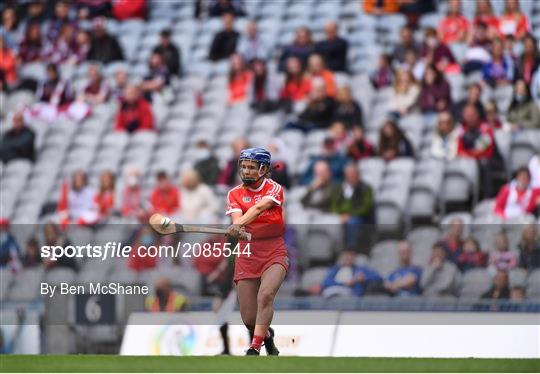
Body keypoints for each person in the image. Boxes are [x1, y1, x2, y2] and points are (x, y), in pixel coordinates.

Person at [224, 147, 287, 355]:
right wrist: (238, 227)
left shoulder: (274, 188)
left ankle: (254, 347)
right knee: (249, 318)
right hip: (247, 254)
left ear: (263, 169)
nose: (246, 171)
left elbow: (258, 208)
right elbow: (237, 218)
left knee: (266, 295)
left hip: (273, 250)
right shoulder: (234, 193)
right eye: (244, 167)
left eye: (251, 167)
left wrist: (239, 223)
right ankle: (267, 336)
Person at [330, 163, 374, 249]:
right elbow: (334, 204)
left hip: (359, 217)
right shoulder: (340, 188)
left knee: (352, 223)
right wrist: (339, 215)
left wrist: (350, 215)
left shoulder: (366, 189)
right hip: (342, 216)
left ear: (358, 175)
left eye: (352, 175)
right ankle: (334, 250)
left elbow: (365, 207)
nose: (350, 178)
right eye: (348, 175)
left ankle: (351, 248)